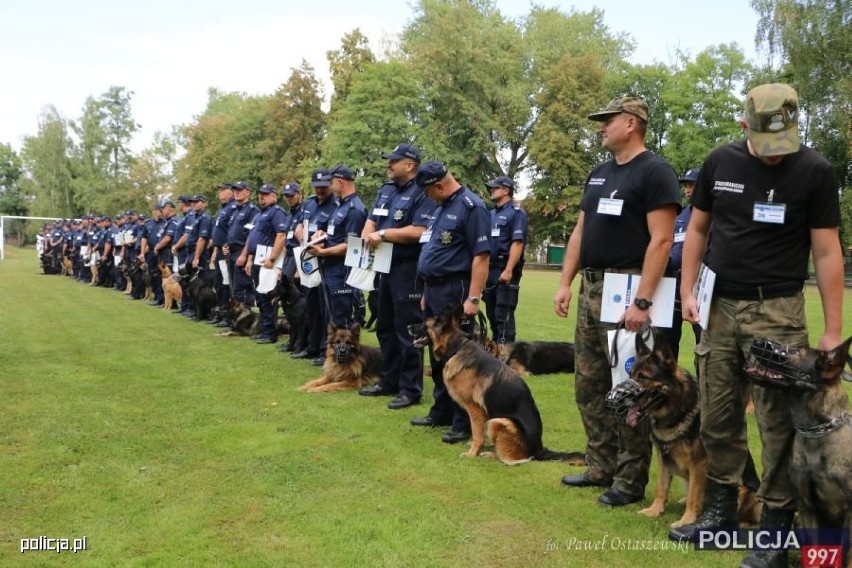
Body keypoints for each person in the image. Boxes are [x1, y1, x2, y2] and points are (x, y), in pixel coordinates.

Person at [670, 84, 844, 568]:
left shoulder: (815, 171)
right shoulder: (719, 163)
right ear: (744, 125)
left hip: (778, 313)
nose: (773, 157)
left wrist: (833, 329)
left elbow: (827, 251)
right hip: (719, 309)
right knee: (718, 414)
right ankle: (721, 514)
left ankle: (774, 530)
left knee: (777, 426)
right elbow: (699, 229)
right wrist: (688, 293)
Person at [554, 95, 680, 507]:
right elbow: (579, 233)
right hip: (592, 287)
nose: (600, 127)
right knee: (588, 383)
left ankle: (629, 480)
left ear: (631, 123)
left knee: (628, 387)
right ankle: (600, 465)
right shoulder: (598, 174)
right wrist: (565, 282)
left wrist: (642, 301)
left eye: (607, 120)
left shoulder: (655, 172)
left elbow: (662, 240)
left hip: (629, 288)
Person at [413, 161, 491, 444]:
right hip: (434, 289)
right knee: (437, 353)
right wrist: (425, 291)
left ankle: (462, 421)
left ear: (439, 185)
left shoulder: (472, 207)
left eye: (427, 192)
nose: (427, 198)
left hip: (455, 290)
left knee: (459, 357)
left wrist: (473, 297)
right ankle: (441, 411)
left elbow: (481, 256)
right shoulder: (441, 207)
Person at [358, 143, 434, 411]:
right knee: (384, 327)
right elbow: (372, 221)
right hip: (382, 266)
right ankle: (388, 380)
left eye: (394, 161)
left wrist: (384, 235)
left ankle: (410, 389)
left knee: (408, 329)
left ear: (410, 164)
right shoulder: (386, 190)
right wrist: (367, 235)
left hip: (407, 268)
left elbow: (420, 230)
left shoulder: (423, 191)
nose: (389, 165)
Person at [307, 165, 367, 328]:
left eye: (331, 182)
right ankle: (333, 353)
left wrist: (323, 252)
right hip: (331, 268)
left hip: (342, 271)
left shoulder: (354, 209)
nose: (330, 187)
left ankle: (345, 354)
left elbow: (352, 246)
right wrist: (322, 235)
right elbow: (337, 235)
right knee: (332, 317)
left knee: (342, 319)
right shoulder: (342, 206)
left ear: (340, 182)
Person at [291, 168, 337, 365]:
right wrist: (298, 230)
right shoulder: (309, 202)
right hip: (309, 260)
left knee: (325, 307)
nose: (320, 191)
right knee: (311, 305)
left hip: (326, 259)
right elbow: (301, 223)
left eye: (323, 187)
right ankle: (312, 346)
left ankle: (324, 350)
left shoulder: (336, 204)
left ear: (330, 185)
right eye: (317, 187)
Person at [659, 167, 703, 360]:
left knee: (705, 343)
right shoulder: (681, 215)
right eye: (686, 185)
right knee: (666, 343)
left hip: (700, 285)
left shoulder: (714, 216)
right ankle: (668, 388)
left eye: (692, 185)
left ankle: (705, 388)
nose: (688, 190)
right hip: (672, 282)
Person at [482, 175, 527, 343]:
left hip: (505, 269)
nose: (491, 190)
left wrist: (508, 270)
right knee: (492, 316)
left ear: (506, 190)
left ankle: (508, 360)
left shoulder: (516, 213)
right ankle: (495, 359)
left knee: (504, 317)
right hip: (490, 269)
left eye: (495, 187)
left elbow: (517, 243)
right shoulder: (490, 213)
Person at [244, 184, 288, 344]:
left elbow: (281, 236)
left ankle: (270, 332)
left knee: (268, 296)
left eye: (266, 194)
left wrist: (272, 258)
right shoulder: (258, 215)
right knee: (260, 296)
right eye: (260, 194)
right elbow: (252, 237)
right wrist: (249, 258)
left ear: (274, 195)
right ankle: (264, 329)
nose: (261, 197)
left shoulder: (277, 212)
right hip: (257, 258)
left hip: (268, 260)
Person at [227, 182, 260, 311]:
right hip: (233, 252)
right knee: (235, 287)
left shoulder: (252, 210)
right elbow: (232, 231)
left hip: (243, 252)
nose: (236, 192)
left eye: (240, 190)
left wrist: (245, 255)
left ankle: (246, 318)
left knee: (243, 288)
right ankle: (236, 319)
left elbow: (251, 235)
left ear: (248, 192)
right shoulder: (235, 211)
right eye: (235, 190)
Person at [210, 183, 237, 321]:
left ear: (231, 193)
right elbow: (218, 233)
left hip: (227, 251)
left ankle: (227, 315)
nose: (220, 193)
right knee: (219, 283)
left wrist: (225, 246)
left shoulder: (233, 208)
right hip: (219, 251)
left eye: (223, 190)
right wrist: (215, 249)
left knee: (227, 283)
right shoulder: (221, 210)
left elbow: (231, 231)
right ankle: (220, 312)